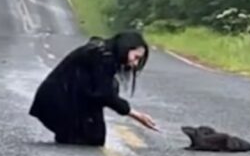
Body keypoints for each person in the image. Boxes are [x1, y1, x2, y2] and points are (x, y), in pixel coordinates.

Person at [29, 31, 158, 146]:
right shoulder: (103, 56)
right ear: (126, 48)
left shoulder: (101, 51)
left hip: (62, 98)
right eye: (136, 57)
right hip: (56, 101)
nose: (135, 63)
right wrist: (136, 115)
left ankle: (70, 132)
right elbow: (104, 94)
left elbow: (99, 90)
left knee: (94, 136)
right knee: (91, 139)